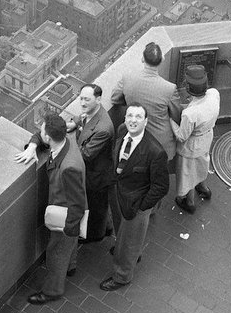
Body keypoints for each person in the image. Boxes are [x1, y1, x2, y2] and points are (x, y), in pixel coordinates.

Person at [15, 112, 87, 305]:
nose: (40, 133)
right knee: (67, 249)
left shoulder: (69, 167)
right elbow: (40, 136)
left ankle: (52, 290)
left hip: (66, 216)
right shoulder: (64, 140)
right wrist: (32, 146)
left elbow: (77, 204)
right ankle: (70, 266)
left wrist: (68, 229)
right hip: (68, 211)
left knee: (55, 253)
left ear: (49, 137)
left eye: (42, 131)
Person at [100, 103, 169, 291]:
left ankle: (122, 276)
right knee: (124, 235)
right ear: (124, 119)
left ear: (146, 122)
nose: (133, 120)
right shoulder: (123, 131)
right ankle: (132, 252)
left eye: (138, 117)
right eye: (130, 115)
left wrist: (142, 206)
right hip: (118, 193)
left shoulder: (155, 152)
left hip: (136, 204)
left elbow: (161, 187)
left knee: (128, 242)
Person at [110, 41, 182, 168]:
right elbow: (177, 115)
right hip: (161, 144)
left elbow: (115, 98)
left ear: (142, 58)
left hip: (135, 139)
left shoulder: (127, 78)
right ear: (162, 60)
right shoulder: (169, 88)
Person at [65, 84, 115, 242]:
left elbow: (85, 154)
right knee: (99, 205)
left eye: (87, 99)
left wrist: (61, 146)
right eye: (81, 98)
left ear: (98, 99)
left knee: (95, 207)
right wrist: (75, 122)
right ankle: (106, 227)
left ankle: (95, 235)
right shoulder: (95, 112)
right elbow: (84, 117)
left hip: (97, 177)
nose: (83, 103)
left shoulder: (104, 129)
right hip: (96, 173)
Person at [170, 64, 220, 214]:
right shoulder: (214, 94)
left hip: (191, 147)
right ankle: (204, 188)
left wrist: (170, 120)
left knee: (189, 174)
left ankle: (189, 201)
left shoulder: (190, 114)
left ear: (187, 87)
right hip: (206, 139)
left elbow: (181, 136)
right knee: (202, 164)